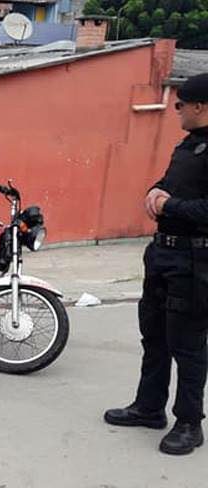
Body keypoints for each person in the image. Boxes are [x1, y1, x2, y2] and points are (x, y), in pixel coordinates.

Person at [104, 73, 208, 456]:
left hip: (195, 260)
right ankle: (149, 408)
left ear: (200, 106)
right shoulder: (188, 146)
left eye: (180, 105)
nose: (176, 111)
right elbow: (167, 183)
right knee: (155, 337)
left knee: (189, 345)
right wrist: (155, 192)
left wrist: (169, 205)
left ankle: (189, 423)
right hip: (162, 254)